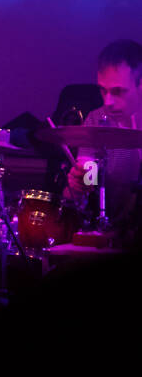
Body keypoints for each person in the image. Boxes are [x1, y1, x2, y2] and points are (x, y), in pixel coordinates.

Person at [63, 39, 142, 236]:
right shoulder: (96, 119)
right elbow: (88, 178)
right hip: (109, 232)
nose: (108, 101)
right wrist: (79, 184)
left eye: (118, 92)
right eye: (103, 90)